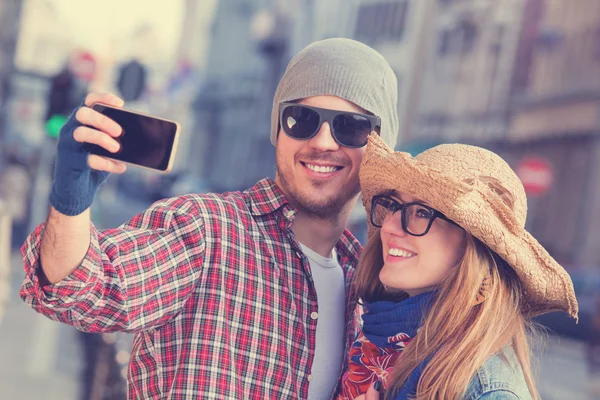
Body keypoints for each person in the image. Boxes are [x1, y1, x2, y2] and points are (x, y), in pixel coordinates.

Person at [20, 38, 399, 399]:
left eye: (352, 127)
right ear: (278, 129)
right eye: (302, 119)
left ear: (380, 149)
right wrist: (70, 202)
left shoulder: (372, 283)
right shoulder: (205, 230)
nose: (323, 141)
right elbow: (81, 287)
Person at [336, 135, 578, 400]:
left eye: (423, 212)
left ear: (473, 248)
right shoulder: (378, 338)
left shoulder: (483, 387)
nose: (391, 225)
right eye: (394, 205)